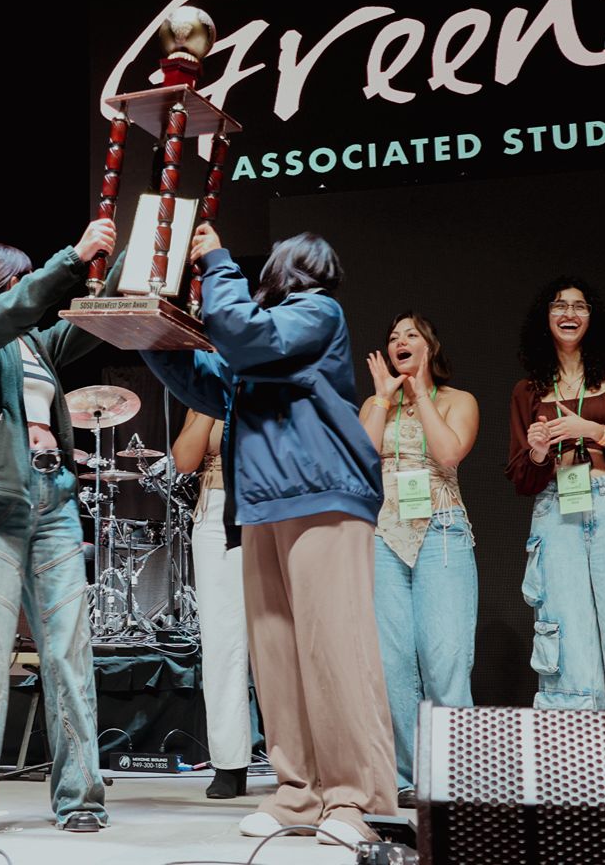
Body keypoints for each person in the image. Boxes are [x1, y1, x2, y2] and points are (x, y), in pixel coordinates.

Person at [142, 224, 396, 857]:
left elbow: (249, 339)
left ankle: (357, 799)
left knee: (334, 650)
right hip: (263, 506)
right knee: (277, 655)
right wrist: (150, 329)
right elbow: (207, 382)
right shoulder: (261, 337)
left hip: (322, 496)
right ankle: (298, 791)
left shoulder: (315, 314)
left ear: (290, 270)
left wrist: (218, 262)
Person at [0, 220, 120, 832]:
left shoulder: (35, 346)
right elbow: (13, 310)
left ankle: (81, 798)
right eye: (21, 274)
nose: (29, 284)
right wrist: (69, 258)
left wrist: (117, 265)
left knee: (68, 652)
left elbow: (88, 319)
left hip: (54, 498)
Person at [506, 276, 605, 711]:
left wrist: (595, 431)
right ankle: (575, 766)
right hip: (556, 509)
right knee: (563, 627)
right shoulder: (527, 391)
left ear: (592, 319)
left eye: (579, 306)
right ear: (546, 319)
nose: (569, 313)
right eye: (559, 306)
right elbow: (522, 476)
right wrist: (539, 453)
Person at [359, 313, 479, 808]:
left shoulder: (458, 400)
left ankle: (456, 776)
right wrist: (385, 398)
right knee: (392, 664)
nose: (400, 342)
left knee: (445, 658)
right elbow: (360, 457)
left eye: (410, 335)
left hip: (442, 531)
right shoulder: (374, 402)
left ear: (429, 345)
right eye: (392, 337)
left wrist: (421, 393)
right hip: (385, 535)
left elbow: (449, 454)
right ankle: (408, 778)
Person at [172, 410, 250, 799]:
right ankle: (230, 763)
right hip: (216, 509)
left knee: (280, 643)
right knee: (222, 642)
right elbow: (184, 461)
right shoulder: (206, 393)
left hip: (269, 505)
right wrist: (207, 404)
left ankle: (298, 763)